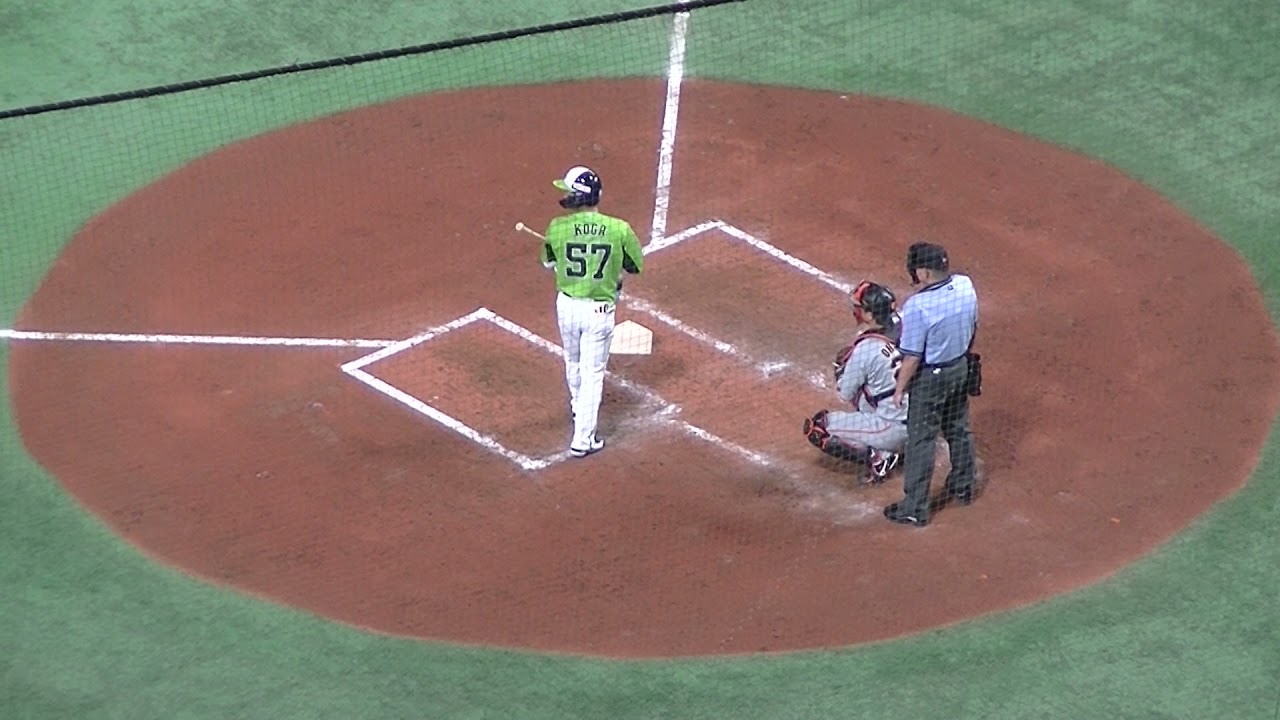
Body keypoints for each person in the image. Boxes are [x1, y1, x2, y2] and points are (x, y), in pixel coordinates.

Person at [541, 165, 644, 458]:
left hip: (567, 306)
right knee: (593, 373)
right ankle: (583, 439)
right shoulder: (619, 229)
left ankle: (578, 408)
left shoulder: (556, 227)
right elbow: (635, 266)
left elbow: (549, 263)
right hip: (598, 311)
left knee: (572, 361)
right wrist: (612, 272)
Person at [884, 242, 980, 527]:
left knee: (921, 440)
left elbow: (912, 356)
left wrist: (899, 389)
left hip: (931, 380)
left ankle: (915, 507)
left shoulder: (918, 306)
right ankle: (963, 485)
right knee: (958, 428)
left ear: (924, 272)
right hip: (960, 368)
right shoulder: (964, 284)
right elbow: (973, 325)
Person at [802, 280, 909, 484]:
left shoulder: (866, 349)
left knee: (818, 427)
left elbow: (845, 393)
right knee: (877, 386)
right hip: (919, 417)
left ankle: (879, 456)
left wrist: (842, 369)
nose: (856, 311)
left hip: (892, 428)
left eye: (859, 307)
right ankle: (891, 444)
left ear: (869, 314)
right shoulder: (904, 327)